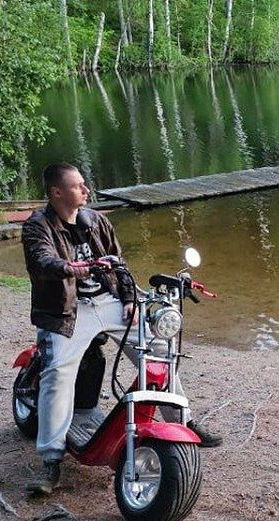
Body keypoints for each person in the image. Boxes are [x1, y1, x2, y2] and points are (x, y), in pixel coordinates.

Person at [21, 162, 222, 495]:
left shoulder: (96, 220)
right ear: (57, 193)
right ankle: (51, 458)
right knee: (57, 373)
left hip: (109, 301)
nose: (86, 190)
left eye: (84, 184)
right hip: (67, 310)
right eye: (78, 186)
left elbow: (119, 263)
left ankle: (182, 421)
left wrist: (129, 299)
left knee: (158, 350)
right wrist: (80, 268)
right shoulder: (37, 226)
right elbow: (44, 262)